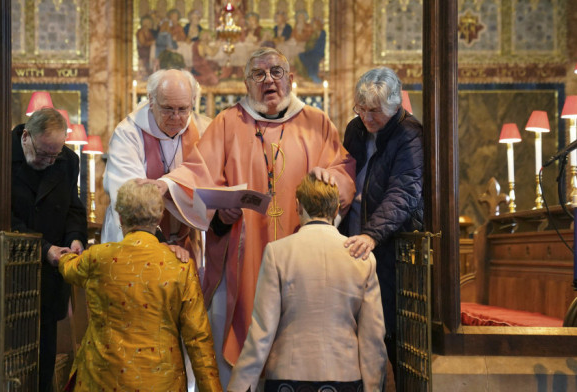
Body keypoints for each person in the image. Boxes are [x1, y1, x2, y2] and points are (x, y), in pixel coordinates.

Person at [142, 47, 356, 387]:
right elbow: (198, 173)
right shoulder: (228, 123)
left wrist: (333, 180)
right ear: (246, 83)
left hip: (301, 255)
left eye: (276, 72)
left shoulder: (317, 124)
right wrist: (176, 191)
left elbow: (343, 171)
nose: (268, 80)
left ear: (291, 78)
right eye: (258, 74)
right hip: (243, 257)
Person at [227, 173, 387, 392]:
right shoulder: (362, 257)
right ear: (335, 210)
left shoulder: (278, 253)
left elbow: (261, 332)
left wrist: (240, 387)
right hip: (344, 375)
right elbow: (373, 338)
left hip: (288, 377)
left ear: (297, 206)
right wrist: (373, 387)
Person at [58, 179, 222, 391]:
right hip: (161, 383)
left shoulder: (98, 258)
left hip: (103, 379)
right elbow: (198, 339)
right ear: (160, 217)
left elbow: (69, 269)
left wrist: (61, 256)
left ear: (120, 216)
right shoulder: (180, 266)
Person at [338, 66, 424, 380]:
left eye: (375, 111)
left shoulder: (409, 133)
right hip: (353, 238)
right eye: (361, 109)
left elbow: (404, 191)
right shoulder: (355, 129)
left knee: (388, 330)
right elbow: (343, 173)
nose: (367, 118)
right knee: (352, 328)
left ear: (394, 106)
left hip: (389, 244)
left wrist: (373, 234)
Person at [10, 107, 88, 392]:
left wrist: (76, 238)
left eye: (55, 154)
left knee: (45, 358)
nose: (49, 161)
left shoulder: (67, 161)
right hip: (13, 269)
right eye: (43, 154)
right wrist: (44, 249)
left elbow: (73, 208)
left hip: (50, 276)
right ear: (26, 136)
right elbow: (0, 218)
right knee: (13, 359)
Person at [101, 69, 212, 261]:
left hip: (186, 239)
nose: (176, 117)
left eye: (183, 109)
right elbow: (130, 196)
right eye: (168, 109)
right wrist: (158, 244)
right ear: (151, 100)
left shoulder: (204, 130)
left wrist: (168, 184)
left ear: (193, 101)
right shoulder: (128, 134)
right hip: (137, 242)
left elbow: (208, 180)